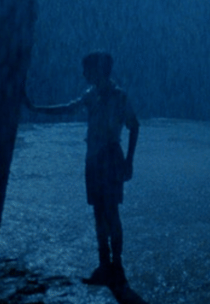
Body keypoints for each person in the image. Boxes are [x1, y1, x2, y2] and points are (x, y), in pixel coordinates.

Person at [25, 52, 140, 286]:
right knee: (100, 211)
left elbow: (134, 125)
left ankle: (114, 264)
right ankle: (107, 264)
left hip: (106, 157)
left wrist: (129, 161)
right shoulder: (93, 95)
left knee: (109, 212)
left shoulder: (118, 97)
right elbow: (69, 108)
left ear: (97, 70)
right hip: (97, 159)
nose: (83, 74)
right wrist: (36, 108)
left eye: (86, 69)